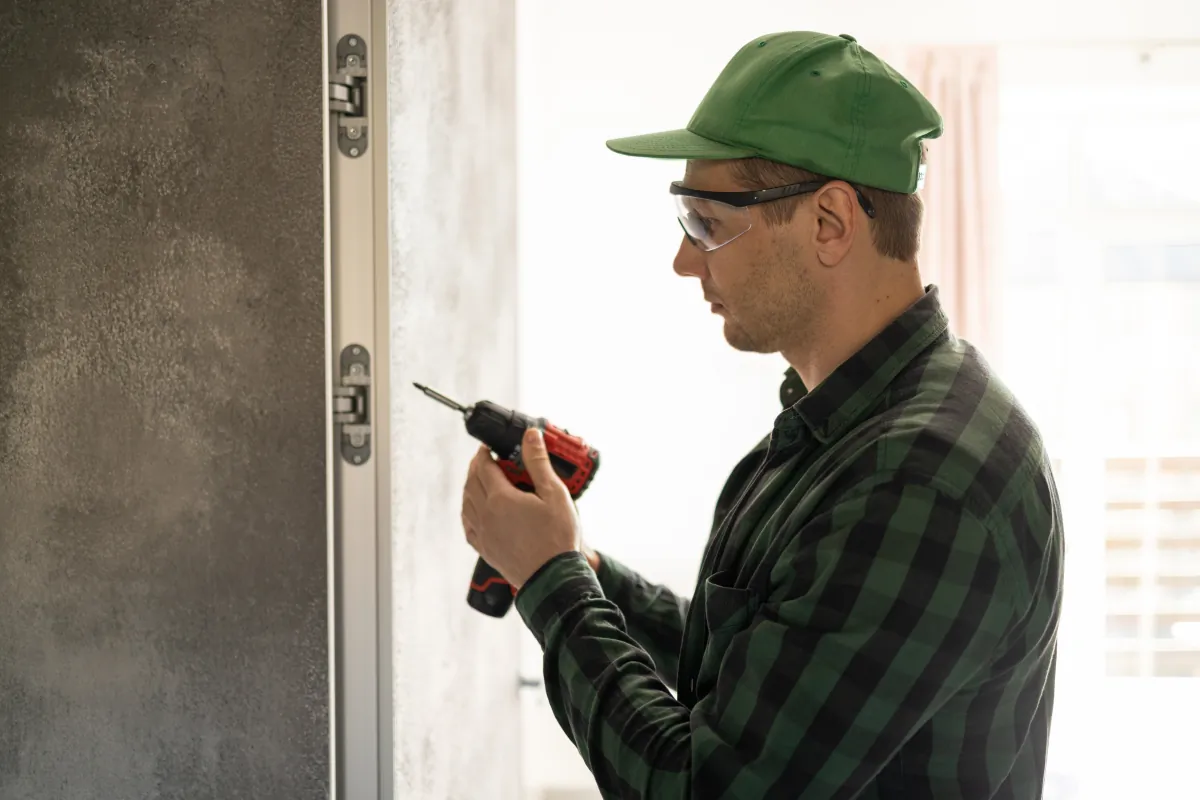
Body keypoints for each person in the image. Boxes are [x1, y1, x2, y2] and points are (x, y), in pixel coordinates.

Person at [460, 30, 1064, 799]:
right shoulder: (839, 424)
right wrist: (587, 573)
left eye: (708, 222)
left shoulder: (924, 479)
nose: (685, 260)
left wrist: (549, 580)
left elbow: (707, 786)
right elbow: (766, 679)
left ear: (830, 223)